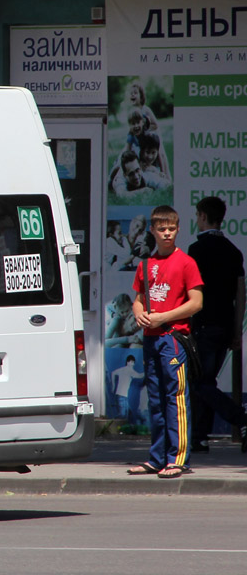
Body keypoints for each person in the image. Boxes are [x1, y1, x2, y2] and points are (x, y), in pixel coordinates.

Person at [126, 205, 204, 479]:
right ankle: (157, 458)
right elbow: (137, 299)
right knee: (157, 401)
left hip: (173, 338)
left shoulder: (186, 263)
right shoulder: (145, 264)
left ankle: (178, 459)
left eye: (171, 228)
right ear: (153, 231)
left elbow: (196, 303)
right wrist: (139, 314)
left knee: (176, 399)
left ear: (178, 229)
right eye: (162, 229)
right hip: (150, 339)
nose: (167, 233)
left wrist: (164, 317)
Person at [187, 196, 247, 453]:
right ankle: (200, 437)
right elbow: (241, 295)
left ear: (202, 216)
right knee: (206, 381)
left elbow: (191, 290)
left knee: (200, 383)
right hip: (225, 326)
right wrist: (237, 331)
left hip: (203, 324)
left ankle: (241, 418)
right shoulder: (234, 251)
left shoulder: (196, 250)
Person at [109, 353, 145, 425]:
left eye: (133, 362)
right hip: (122, 395)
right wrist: (148, 369)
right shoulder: (129, 371)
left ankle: (130, 427)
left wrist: (113, 385)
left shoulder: (123, 370)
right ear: (128, 362)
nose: (132, 364)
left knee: (129, 413)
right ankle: (112, 423)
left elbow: (113, 373)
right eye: (131, 362)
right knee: (123, 414)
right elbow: (140, 375)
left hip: (122, 395)